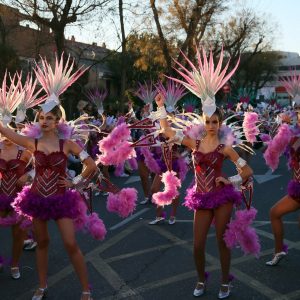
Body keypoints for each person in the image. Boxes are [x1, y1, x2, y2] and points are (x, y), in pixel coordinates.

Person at [154, 93, 253, 298]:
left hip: (221, 197)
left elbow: (247, 172)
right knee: (198, 245)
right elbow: (166, 130)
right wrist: (161, 107)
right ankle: (201, 279)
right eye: (207, 121)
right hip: (201, 196)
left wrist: (230, 181)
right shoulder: (194, 144)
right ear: (203, 121)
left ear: (220, 123)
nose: (210, 125)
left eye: (214, 122)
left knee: (221, 241)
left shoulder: (226, 149)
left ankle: (225, 282)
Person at [265, 108, 300, 266]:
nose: (298, 117)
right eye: (298, 114)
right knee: (274, 213)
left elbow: (294, 142)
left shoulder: (295, 136)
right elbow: (274, 147)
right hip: (297, 188)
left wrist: (284, 129)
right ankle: (279, 251)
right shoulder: (294, 133)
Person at [0, 123, 32, 279]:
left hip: (18, 199)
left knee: (19, 234)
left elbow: (43, 166)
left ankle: (14, 264)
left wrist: (28, 176)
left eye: (10, 130)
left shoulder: (24, 151)